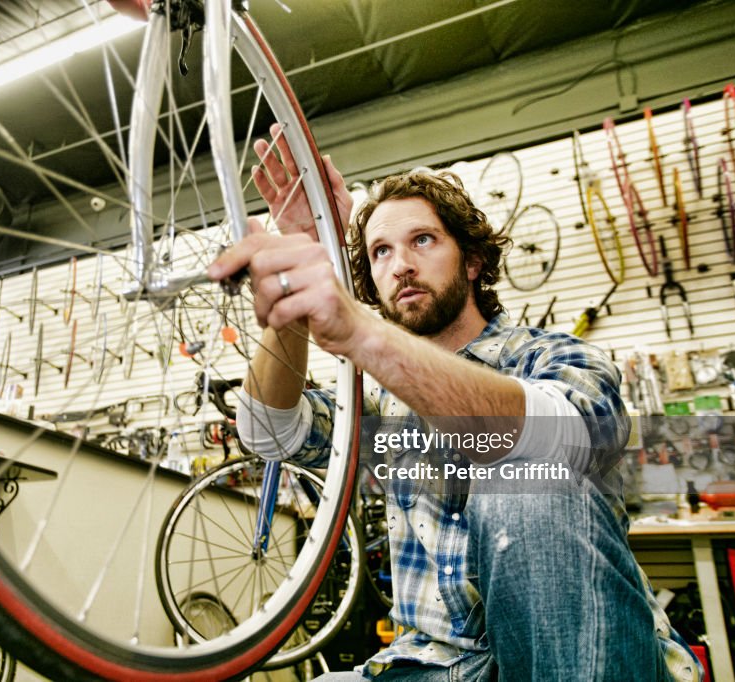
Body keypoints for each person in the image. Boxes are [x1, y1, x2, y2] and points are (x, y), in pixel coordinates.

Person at [207, 130, 702, 681]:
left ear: (471, 260)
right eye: (380, 252)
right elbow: (267, 432)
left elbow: (556, 440)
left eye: (423, 240)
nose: (400, 266)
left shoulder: (553, 357)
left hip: (570, 651)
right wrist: (294, 288)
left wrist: (363, 334)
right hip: (435, 663)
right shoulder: (378, 404)